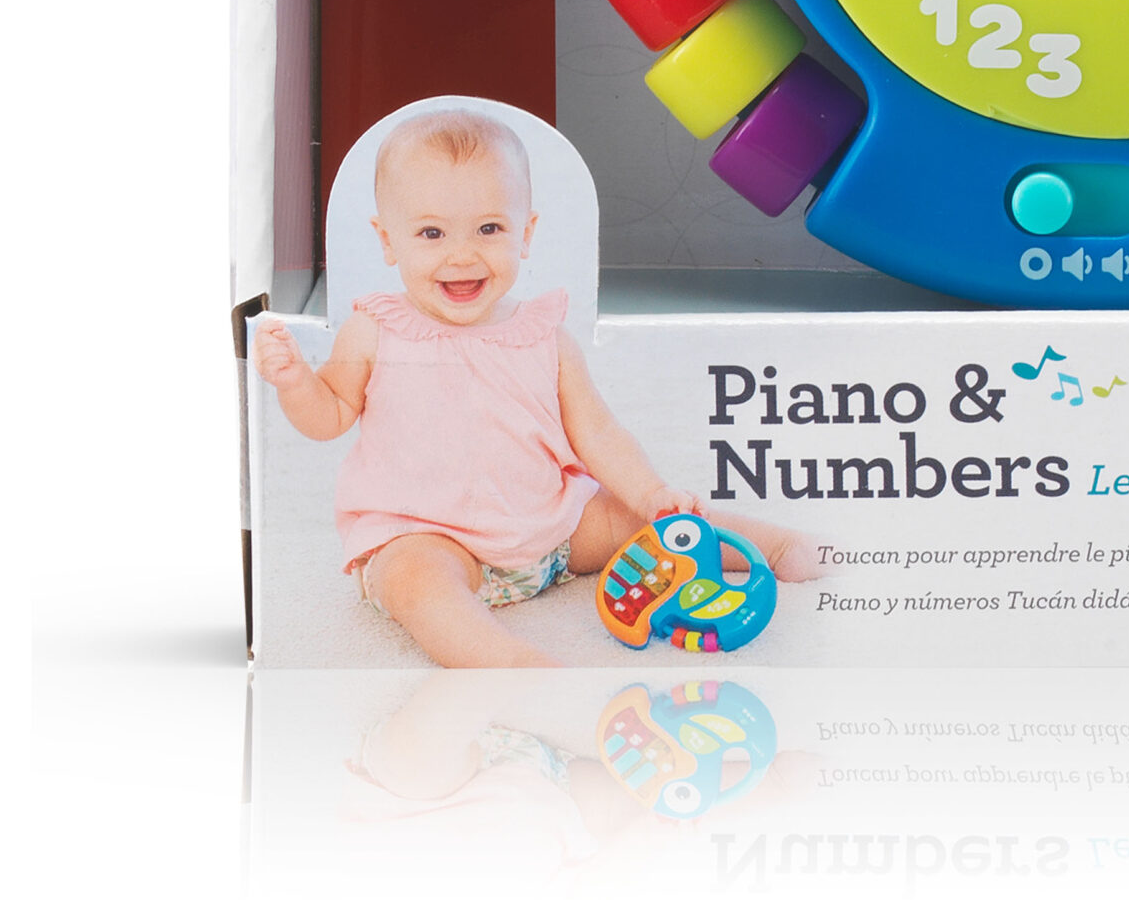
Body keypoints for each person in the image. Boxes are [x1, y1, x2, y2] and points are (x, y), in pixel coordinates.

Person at [255, 108, 818, 667]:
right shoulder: (375, 329)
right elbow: (329, 414)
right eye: (431, 233)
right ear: (388, 240)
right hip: (428, 532)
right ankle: (507, 662)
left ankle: (772, 545)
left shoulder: (544, 335)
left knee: (658, 526)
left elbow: (598, 433)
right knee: (416, 582)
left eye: (489, 229)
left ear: (524, 233)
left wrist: (650, 494)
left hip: (553, 531)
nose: (462, 254)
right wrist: (296, 381)